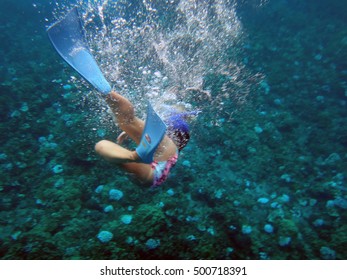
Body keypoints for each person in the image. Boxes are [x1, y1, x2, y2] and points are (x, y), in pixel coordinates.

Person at [94, 91, 191, 187]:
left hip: (162, 163)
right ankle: (106, 92)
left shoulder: (173, 127)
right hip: (158, 172)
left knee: (127, 122)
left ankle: (106, 92)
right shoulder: (176, 133)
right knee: (103, 145)